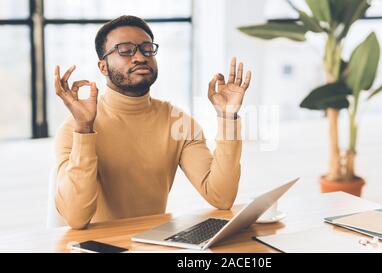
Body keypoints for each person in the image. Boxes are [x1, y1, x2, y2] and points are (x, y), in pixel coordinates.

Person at [53, 15, 251, 229]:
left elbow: (221, 196)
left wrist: (227, 117)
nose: (140, 56)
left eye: (147, 48)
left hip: (155, 244)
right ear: (103, 67)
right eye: (125, 50)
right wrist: (84, 130)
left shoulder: (178, 123)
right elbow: (75, 218)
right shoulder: (74, 129)